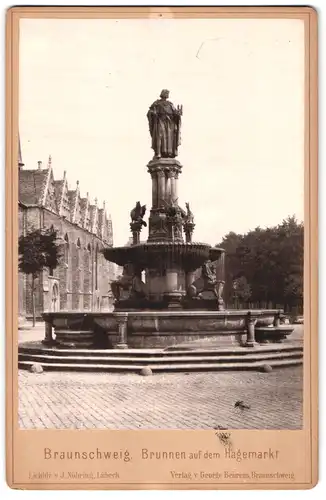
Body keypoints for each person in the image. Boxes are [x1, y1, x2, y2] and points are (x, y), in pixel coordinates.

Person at [147, 89, 182, 159]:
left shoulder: (170, 104)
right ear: (162, 94)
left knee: (168, 138)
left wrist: (178, 114)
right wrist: (153, 113)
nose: (167, 94)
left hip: (169, 123)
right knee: (159, 136)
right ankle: (158, 152)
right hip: (160, 121)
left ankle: (169, 153)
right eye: (166, 93)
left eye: (167, 93)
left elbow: (175, 114)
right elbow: (150, 112)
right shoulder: (156, 103)